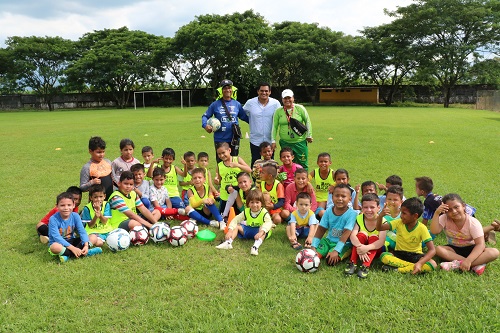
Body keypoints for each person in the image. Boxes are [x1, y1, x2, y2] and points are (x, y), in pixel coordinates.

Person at [430, 193, 499, 276]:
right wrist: (437, 213)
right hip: (454, 249)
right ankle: (476, 265)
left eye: (456, 207)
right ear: (445, 211)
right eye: (449, 210)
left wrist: (469, 261)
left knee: (494, 252)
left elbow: (480, 244)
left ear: (463, 206)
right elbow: (434, 231)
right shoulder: (444, 218)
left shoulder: (473, 222)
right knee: (438, 249)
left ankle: (455, 265)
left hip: (472, 249)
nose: (454, 211)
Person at [376, 197, 437, 274]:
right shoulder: (398, 222)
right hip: (399, 253)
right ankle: (411, 267)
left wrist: (420, 262)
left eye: (404, 213)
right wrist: (380, 216)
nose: (401, 216)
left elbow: (432, 250)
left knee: (433, 264)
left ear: (415, 216)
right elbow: (379, 228)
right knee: (384, 256)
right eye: (401, 212)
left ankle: (397, 270)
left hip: (415, 255)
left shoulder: (422, 228)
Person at [202, 79, 249, 162]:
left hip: (234, 139)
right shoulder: (215, 104)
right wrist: (205, 125)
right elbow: (205, 116)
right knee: (221, 163)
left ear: (232, 89)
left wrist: (257, 122)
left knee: (234, 161)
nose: (227, 90)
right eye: (225, 88)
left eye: (229, 88)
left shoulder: (237, 104)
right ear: (221, 90)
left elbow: (244, 117)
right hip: (220, 139)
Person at [48, 192, 102, 263]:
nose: (66, 208)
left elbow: (82, 231)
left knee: (93, 237)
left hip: (72, 241)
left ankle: (68, 255)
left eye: (69, 205)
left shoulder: (75, 216)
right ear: (57, 206)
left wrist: (86, 245)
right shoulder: (53, 219)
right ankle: (87, 252)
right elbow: (57, 237)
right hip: (59, 243)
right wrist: (73, 249)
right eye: (62, 205)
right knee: (54, 247)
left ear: (73, 205)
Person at [216, 189, 273, 256]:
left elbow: (269, 223)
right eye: (252, 202)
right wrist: (230, 230)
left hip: (260, 233)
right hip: (249, 230)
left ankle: (255, 247)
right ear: (248, 203)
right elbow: (236, 219)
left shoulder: (264, 212)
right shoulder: (247, 211)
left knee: (262, 227)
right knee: (237, 226)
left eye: (257, 202)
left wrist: (262, 232)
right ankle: (228, 242)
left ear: (261, 203)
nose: (254, 205)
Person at [311, 184, 357, 266]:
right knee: (313, 256)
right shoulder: (328, 211)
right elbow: (321, 229)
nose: (340, 199)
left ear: (350, 199)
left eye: (343, 196)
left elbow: (346, 233)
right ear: (332, 197)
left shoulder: (352, 214)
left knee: (330, 261)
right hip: (328, 240)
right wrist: (313, 246)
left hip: (344, 243)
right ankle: (319, 253)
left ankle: (339, 252)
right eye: (337, 196)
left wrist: (336, 250)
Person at [345, 193, 386, 278]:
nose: (368, 210)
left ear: (379, 208)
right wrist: (361, 247)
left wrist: (366, 248)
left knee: (374, 237)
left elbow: (381, 241)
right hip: (360, 247)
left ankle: (365, 266)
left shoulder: (383, 221)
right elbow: (352, 236)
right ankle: (353, 262)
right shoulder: (360, 218)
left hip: (376, 249)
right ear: (362, 208)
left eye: (372, 207)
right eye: (365, 207)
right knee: (361, 234)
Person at [271, 89, 313, 170]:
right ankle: (289, 181)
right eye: (285, 98)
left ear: (293, 98)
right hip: (285, 142)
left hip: (300, 142)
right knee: (287, 164)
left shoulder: (300, 108)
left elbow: (307, 121)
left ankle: (303, 182)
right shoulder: (278, 111)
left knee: (303, 164)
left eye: (289, 98)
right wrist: (273, 141)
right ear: (282, 99)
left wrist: (309, 135)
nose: (287, 100)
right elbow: (274, 126)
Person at [243, 82, 281, 167]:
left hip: (270, 139)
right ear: (258, 91)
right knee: (255, 162)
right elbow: (242, 114)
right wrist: (251, 121)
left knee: (270, 163)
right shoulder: (250, 103)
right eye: (262, 91)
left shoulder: (275, 103)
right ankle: (256, 180)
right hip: (255, 139)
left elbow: (280, 117)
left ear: (270, 92)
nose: (264, 93)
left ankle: (269, 180)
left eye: (266, 91)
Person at [214, 142, 251, 220]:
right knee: (224, 215)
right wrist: (217, 181)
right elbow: (219, 180)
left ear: (229, 150)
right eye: (219, 154)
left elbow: (249, 170)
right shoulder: (219, 165)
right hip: (225, 195)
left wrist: (237, 165)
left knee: (239, 214)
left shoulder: (237, 159)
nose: (221, 155)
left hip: (239, 192)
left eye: (223, 152)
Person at [310, 152, 335, 218]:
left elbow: (340, 181)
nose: (323, 163)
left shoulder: (332, 173)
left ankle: (317, 216)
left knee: (322, 209)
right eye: (321, 161)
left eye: (325, 161)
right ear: (317, 163)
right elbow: (306, 179)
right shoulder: (315, 172)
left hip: (329, 198)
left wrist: (333, 185)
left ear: (330, 163)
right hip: (317, 198)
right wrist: (309, 184)